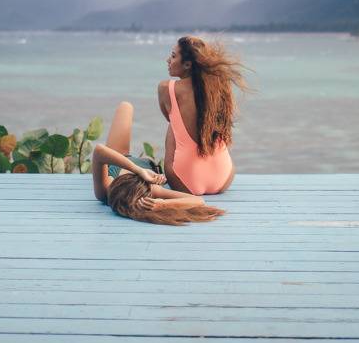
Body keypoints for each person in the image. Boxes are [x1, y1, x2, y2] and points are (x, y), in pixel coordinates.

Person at [91, 35, 248, 223]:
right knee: (128, 109)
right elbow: (100, 153)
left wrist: (139, 171)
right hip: (220, 177)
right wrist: (154, 195)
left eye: (173, 56)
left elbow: (100, 151)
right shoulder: (219, 86)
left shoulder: (109, 192)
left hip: (176, 179)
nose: (168, 60)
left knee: (159, 115)